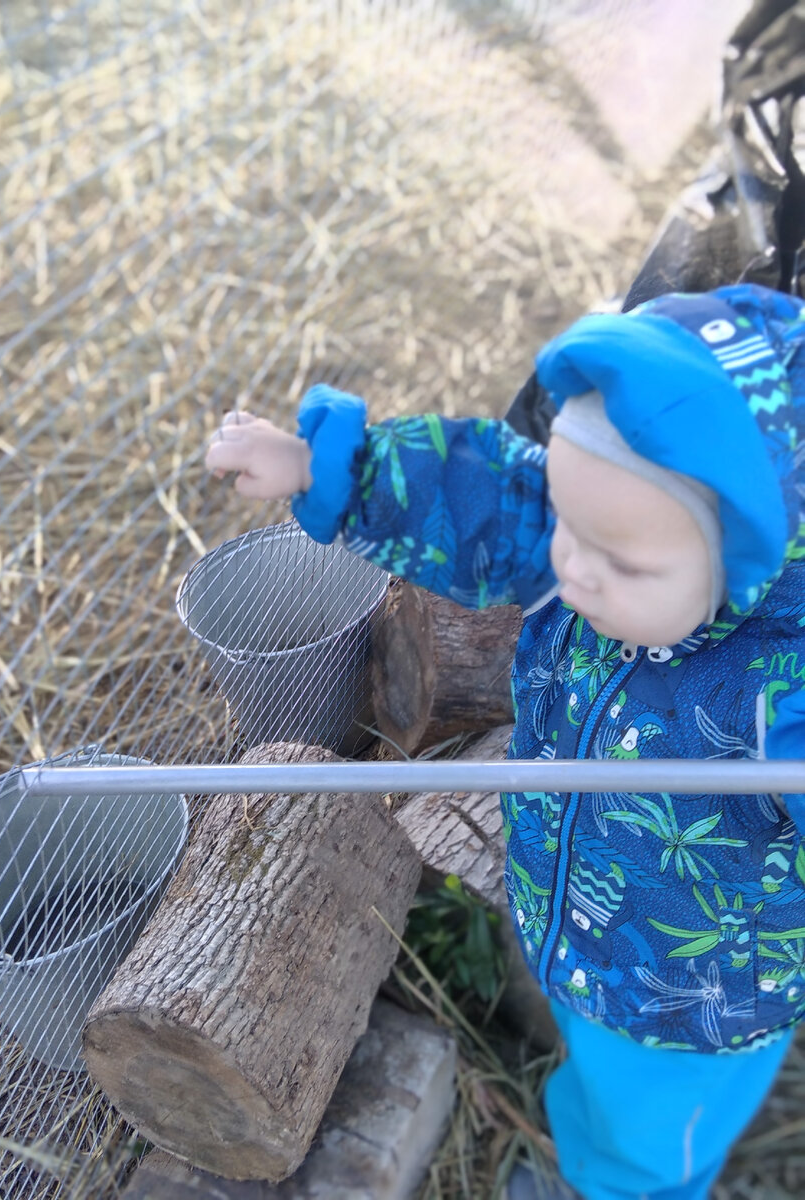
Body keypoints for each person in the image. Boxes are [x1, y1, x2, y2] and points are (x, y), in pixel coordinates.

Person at [206, 282, 805, 1200]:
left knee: (646, 1144)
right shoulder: (601, 530)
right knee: (595, 1069)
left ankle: (614, 1187)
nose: (569, 564)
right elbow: (494, 494)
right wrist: (325, 466)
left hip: (690, 1003)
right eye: (571, 521)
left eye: (621, 560)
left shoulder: (784, 695)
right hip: (579, 910)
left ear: (750, 558)